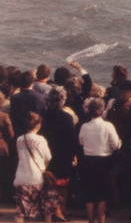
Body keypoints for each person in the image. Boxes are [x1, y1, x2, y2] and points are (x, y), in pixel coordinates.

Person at [79, 97, 122, 223]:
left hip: (88, 160)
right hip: (104, 161)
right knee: (102, 195)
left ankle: (91, 220)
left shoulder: (84, 126)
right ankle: (101, 221)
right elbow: (115, 145)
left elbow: (81, 142)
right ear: (102, 110)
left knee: (89, 195)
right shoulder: (108, 125)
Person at [39, 87, 77, 223]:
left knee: (48, 182)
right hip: (63, 154)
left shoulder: (41, 115)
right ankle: (61, 211)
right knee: (63, 184)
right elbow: (72, 139)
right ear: (62, 100)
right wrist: (74, 154)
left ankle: (49, 210)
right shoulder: (67, 117)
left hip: (45, 152)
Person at [14, 111, 59, 223]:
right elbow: (48, 157)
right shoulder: (40, 140)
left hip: (21, 178)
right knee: (46, 209)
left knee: (21, 212)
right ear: (38, 125)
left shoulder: (19, 139)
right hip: (38, 178)